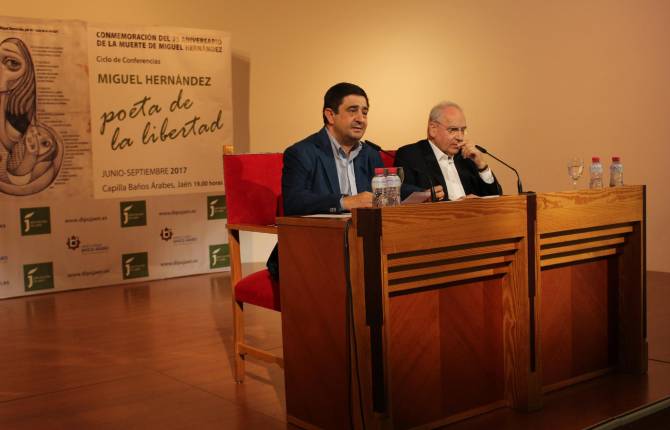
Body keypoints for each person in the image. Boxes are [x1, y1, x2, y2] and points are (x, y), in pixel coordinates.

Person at [267, 82, 384, 278]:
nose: (361, 119)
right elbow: (293, 202)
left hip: (365, 245)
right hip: (315, 247)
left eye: (365, 112)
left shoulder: (370, 154)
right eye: (353, 111)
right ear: (330, 115)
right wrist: (344, 202)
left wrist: (424, 194)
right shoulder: (302, 153)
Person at [394, 101, 500, 201]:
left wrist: (482, 166)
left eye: (462, 130)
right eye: (453, 130)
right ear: (433, 129)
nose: (460, 137)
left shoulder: (467, 157)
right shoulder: (410, 156)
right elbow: (402, 197)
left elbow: (496, 198)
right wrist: (459, 206)